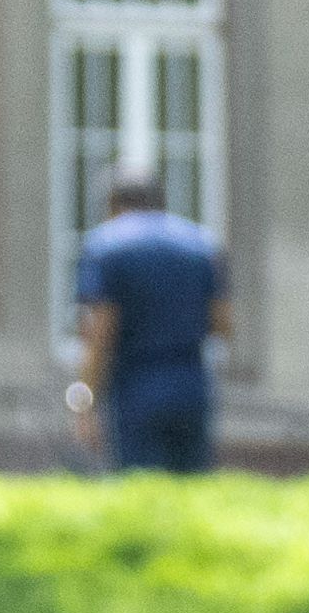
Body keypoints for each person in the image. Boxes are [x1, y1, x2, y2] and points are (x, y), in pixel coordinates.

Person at [68, 170, 227, 475]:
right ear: (161, 203)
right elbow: (223, 323)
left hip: (135, 383)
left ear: (113, 205)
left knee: (140, 489)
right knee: (192, 489)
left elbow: (100, 333)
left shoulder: (106, 246)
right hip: (191, 380)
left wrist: (83, 403)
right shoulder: (202, 245)